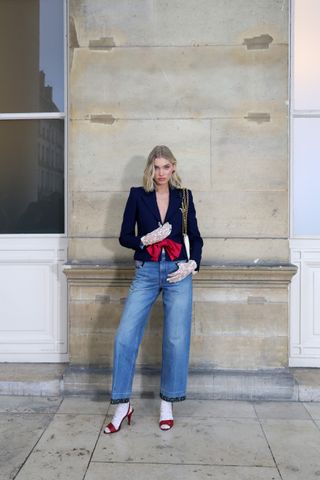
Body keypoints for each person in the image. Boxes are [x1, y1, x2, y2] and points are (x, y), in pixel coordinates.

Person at [104, 145, 203, 434]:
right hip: (146, 272)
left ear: (173, 167)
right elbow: (124, 236)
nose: (160, 173)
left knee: (175, 339)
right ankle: (123, 405)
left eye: (165, 167)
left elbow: (195, 236)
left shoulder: (184, 197)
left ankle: (167, 403)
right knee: (124, 336)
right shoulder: (138, 195)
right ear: (150, 168)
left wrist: (192, 263)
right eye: (156, 167)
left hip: (177, 271)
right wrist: (144, 240)